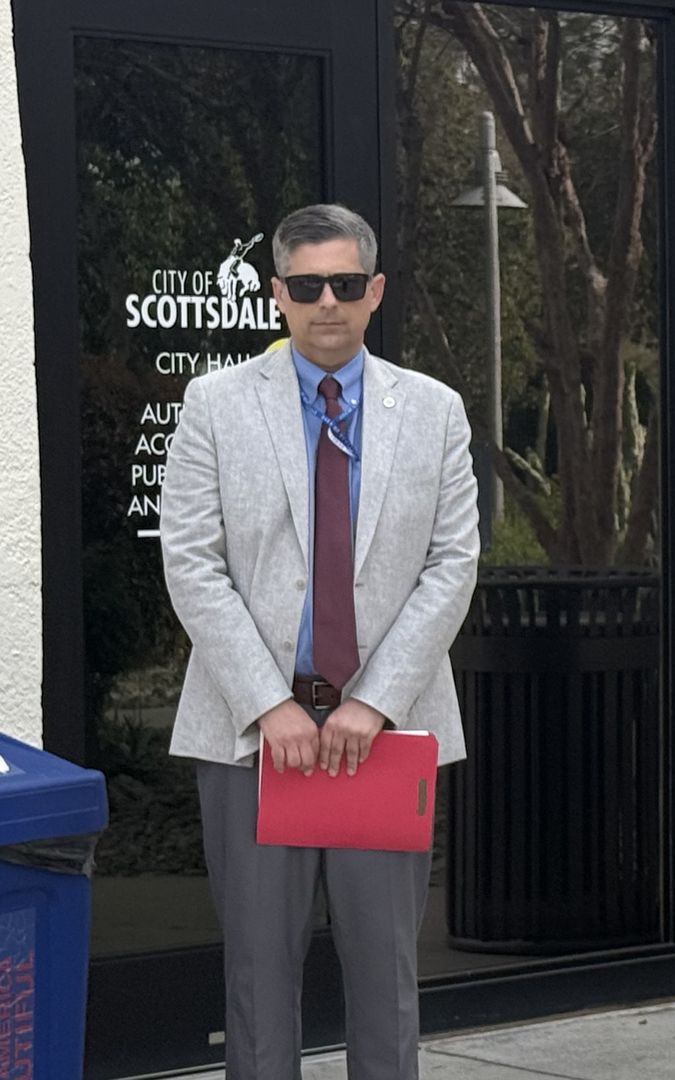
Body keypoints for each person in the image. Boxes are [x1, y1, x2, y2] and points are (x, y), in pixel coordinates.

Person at [160, 203, 479, 1080]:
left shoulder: (435, 411)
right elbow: (191, 564)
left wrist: (372, 702)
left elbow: (452, 566)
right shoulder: (216, 407)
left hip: (385, 734)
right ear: (277, 296)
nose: (327, 302)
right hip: (252, 737)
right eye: (307, 286)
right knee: (259, 982)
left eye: (345, 284)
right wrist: (271, 703)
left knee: (386, 977)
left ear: (374, 292)